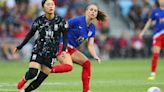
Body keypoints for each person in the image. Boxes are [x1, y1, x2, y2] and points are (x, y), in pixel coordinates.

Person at [51, 3, 107, 92]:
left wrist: (95, 55)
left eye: (95, 11)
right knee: (69, 67)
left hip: (71, 48)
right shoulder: (77, 20)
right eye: (91, 10)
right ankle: (47, 69)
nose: (93, 12)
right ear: (86, 12)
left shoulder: (92, 28)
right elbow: (63, 27)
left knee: (87, 64)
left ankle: (86, 90)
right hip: (62, 45)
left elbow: (90, 45)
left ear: (96, 14)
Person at [15, 0, 68, 91]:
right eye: (48, 4)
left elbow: (65, 36)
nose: (51, 6)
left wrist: (63, 50)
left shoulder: (61, 21)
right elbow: (30, 34)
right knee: (33, 73)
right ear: (43, 7)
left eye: (52, 4)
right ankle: (24, 78)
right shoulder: (39, 20)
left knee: (40, 79)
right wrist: (20, 46)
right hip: (38, 50)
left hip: (52, 53)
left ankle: (25, 91)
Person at [139, 0, 164, 80]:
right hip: (158, 35)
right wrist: (142, 32)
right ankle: (153, 74)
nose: (161, 1)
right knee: (155, 54)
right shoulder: (156, 11)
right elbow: (149, 22)